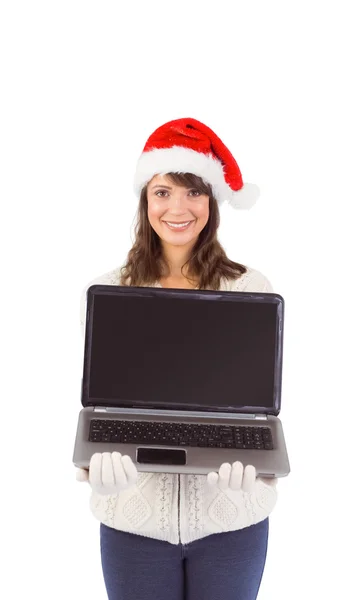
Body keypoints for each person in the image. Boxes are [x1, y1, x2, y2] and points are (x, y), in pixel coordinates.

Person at [76, 117, 279, 600]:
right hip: (133, 526)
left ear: (212, 201)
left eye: (194, 192)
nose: (178, 208)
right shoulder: (114, 288)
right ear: (145, 201)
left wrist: (254, 479)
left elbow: (258, 413)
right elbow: (103, 405)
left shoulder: (250, 288)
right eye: (163, 192)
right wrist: (95, 475)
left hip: (233, 525)